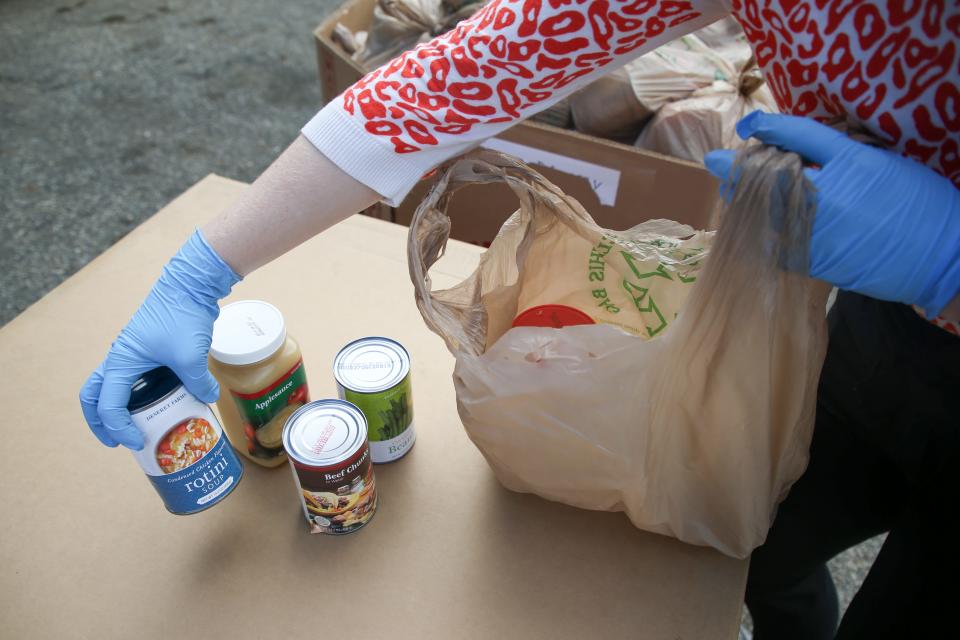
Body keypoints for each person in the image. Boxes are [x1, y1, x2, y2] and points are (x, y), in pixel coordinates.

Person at [80, 1, 959, 637]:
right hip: (884, 323)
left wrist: (947, 257)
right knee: (756, 549)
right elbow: (465, 71)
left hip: (925, 280)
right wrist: (206, 265)